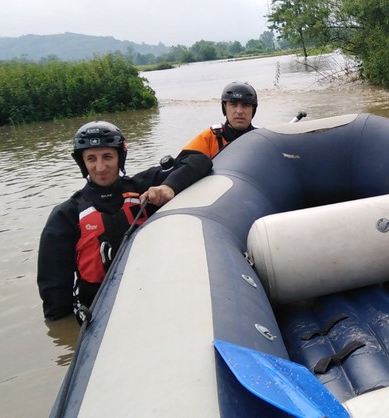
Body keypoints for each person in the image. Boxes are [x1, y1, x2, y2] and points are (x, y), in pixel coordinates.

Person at [37, 121, 212, 322]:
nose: (100, 167)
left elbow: (199, 160)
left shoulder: (144, 187)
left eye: (108, 157)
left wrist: (168, 187)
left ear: (120, 157)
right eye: (91, 159)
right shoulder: (65, 216)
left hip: (153, 294)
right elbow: (55, 303)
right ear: (82, 162)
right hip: (100, 315)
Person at [182, 81, 258, 158]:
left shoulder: (262, 139)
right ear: (224, 107)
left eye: (245, 105)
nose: (239, 111)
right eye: (233, 105)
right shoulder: (208, 139)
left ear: (253, 109)